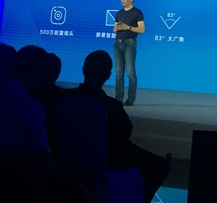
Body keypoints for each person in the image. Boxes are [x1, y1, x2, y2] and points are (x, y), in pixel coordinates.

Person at [64, 50, 169, 203]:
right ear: (108, 75)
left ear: (83, 70)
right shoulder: (111, 106)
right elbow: (125, 132)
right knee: (161, 166)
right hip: (111, 157)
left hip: (70, 159)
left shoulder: (64, 98)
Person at [113, 0, 145, 106]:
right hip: (118, 44)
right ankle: (118, 98)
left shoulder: (137, 13)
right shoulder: (119, 13)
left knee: (130, 73)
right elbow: (114, 29)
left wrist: (128, 27)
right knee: (119, 74)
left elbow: (142, 29)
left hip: (130, 44)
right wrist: (117, 28)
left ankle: (131, 99)